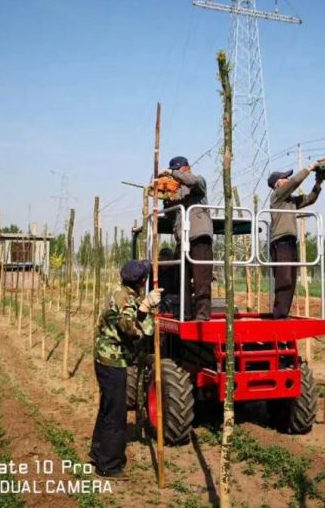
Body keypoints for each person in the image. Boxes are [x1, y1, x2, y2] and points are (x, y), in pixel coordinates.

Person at [90, 260, 161, 478]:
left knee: (107, 408)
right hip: (113, 361)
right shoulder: (125, 301)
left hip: (104, 358)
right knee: (116, 414)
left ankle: (98, 452)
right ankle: (109, 465)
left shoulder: (120, 290)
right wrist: (146, 307)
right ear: (142, 281)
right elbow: (131, 328)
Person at [267, 161, 325, 319]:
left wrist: (318, 182)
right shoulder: (277, 196)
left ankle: (283, 314)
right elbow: (294, 183)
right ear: (278, 183)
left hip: (291, 243)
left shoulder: (290, 201)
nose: (288, 179)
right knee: (284, 279)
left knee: (291, 280)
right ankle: (279, 315)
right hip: (280, 242)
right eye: (285, 178)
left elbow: (310, 199)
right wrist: (310, 168)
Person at [160, 156, 214, 321]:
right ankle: (185, 313)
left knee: (201, 278)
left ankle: (202, 315)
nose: (175, 175)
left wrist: (173, 174)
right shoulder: (176, 192)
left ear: (186, 168)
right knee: (181, 279)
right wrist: (166, 198)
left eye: (178, 170)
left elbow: (192, 182)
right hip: (182, 240)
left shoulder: (198, 183)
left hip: (199, 237)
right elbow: (170, 216)